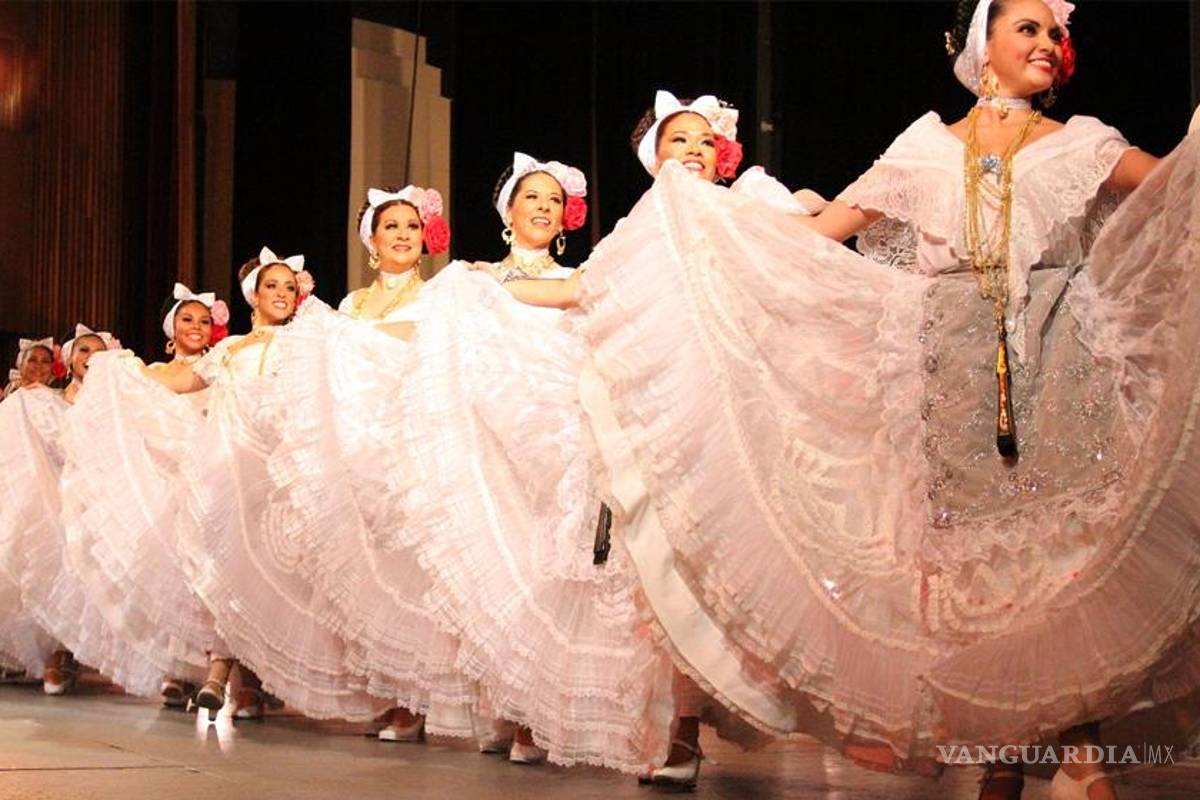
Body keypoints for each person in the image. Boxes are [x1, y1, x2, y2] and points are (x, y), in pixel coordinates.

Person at [573, 2, 1200, 798]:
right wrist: (706, 224)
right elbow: (819, 234)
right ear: (983, 47)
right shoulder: (925, 148)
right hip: (953, 368)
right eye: (1028, 29)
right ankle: (1005, 759)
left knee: (1064, 561)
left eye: (1055, 33)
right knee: (981, 575)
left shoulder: (1082, 142)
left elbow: (1178, 189)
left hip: (1059, 350)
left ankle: (1080, 754)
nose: (1048, 43)